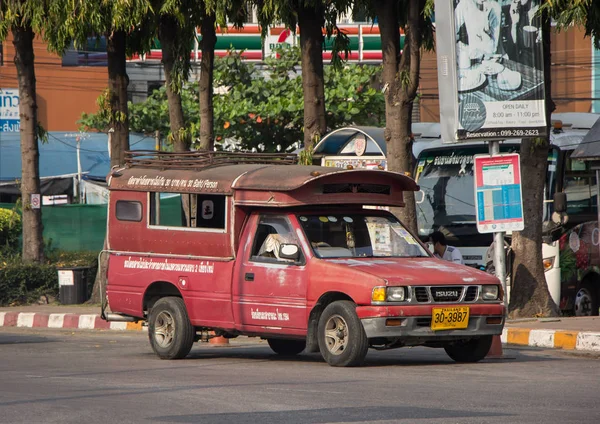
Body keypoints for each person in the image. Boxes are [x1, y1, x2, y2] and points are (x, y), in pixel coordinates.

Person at [455, 0, 502, 65]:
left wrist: (486, 28)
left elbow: (493, 48)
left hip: (489, 61)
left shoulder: (495, 7)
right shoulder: (465, 4)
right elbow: (451, 32)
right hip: (469, 59)